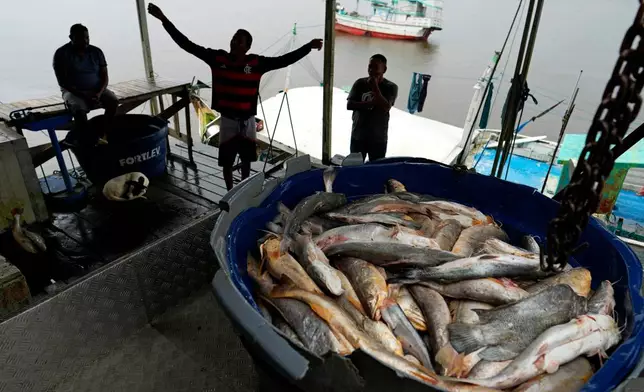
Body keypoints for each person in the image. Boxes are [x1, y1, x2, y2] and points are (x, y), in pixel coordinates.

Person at [148, 3, 323, 190]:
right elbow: (187, 45)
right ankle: (230, 190)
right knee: (226, 161)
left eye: (239, 41)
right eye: (233, 39)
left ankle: (244, 187)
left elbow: (284, 60)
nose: (234, 43)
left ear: (247, 47)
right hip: (228, 120)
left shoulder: (256, 63)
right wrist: (164, 20)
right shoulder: (217, 59)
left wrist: (307, 47)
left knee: (247, 159)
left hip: (248, 121)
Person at [53, 24, 118, 145]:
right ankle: (89, 140)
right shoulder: (61, 54)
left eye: (87, 37)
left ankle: (105, 132)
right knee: (79, 110)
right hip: (72, 91)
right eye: (80, 38)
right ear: (71, 37)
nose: (85, 41)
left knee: (113, 101)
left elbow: (104, 76)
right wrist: (83, 95)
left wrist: (98, 93)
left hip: (97, 89)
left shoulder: (96, 52)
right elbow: (62, 82)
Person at [347, 54, 398, 162]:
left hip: (378, 139)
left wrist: (374, 86)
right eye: (370, 67)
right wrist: (370, 104)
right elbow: (349, 105)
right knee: (354, 167)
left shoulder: (391, 87)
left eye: (375, 67)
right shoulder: (360, 83)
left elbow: (386, 107)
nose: (371, 70)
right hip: (358, 135)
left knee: (375, 169)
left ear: (384, 69)